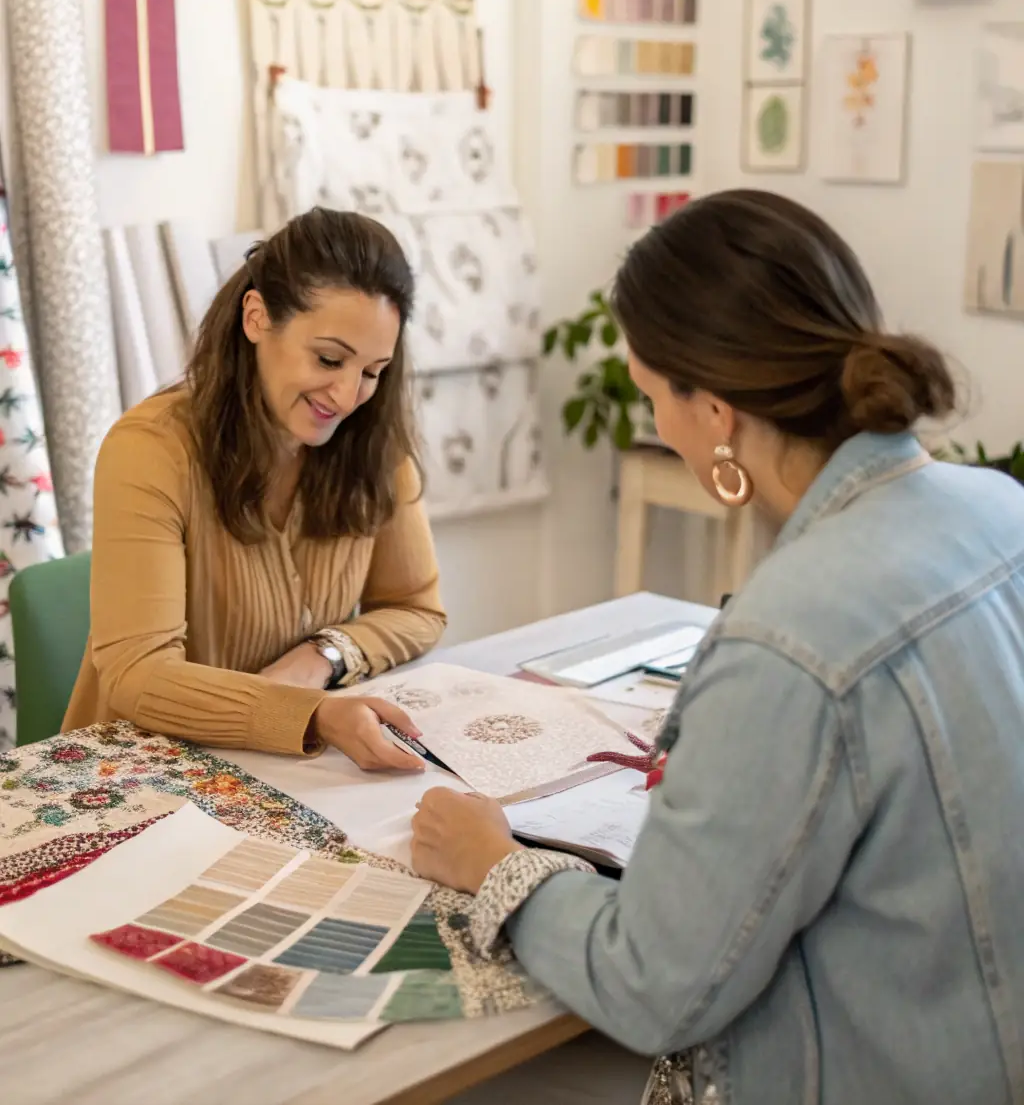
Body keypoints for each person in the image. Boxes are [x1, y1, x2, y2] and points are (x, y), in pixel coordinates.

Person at [411, 189, 1024, 1105]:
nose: (658, 424)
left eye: (654, 394)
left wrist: (499, 864)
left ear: (715, 409)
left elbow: (655, 983)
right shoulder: (1000, 508)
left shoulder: (791, 637)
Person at [64, 208, 443, 768]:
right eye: (329, 359)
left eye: (371, 371)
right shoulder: (150, 450)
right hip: (137, 776)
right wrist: (306, 713)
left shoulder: (371, 445)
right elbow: (138, 675)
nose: (345, 395)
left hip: (282, 774)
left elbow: (417, 609)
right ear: (257, 317)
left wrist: (324, 657)